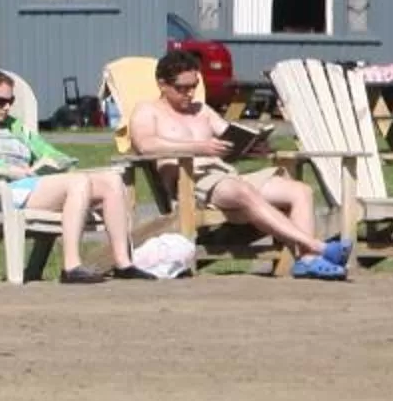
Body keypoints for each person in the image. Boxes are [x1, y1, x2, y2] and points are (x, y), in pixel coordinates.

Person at [127, 50, 342, 275]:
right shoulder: (147, 110)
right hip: (192, 182)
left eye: (194, 86)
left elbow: (228, 135)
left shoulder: (201, 110)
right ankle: (317, 247)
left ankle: (307, 261)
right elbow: (145, 144)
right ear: (162, 84)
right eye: (182, 88)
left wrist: (252, 146)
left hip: (227, 177)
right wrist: (198, 147)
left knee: (300, 191)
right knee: (243, 191)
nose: (190, 93)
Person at [0, 68, 141, 283]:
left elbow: (48, 151)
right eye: (0, 102)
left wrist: (56, 163)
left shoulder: (15, 127)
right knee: (78, 182)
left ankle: (123, 264)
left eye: (10, 101)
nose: (7, 107)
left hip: (30, 186)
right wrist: (7, 169)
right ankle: (71, 266)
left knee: (112, 180)